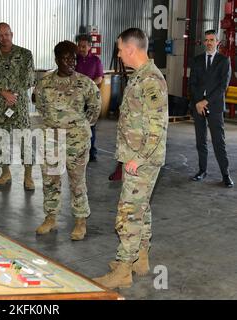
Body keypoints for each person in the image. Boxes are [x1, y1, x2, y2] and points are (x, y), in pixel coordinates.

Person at [93, 28, 168, 289]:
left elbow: (157, 126)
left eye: (120, 49)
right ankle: (140, 259)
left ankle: (123, 269)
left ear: (131, 49)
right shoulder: (140, 76)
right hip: (137, 156)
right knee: (142, 208)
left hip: (142, 160)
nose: (118, 54)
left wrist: (139, 157)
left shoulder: (150, 80)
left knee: (129, 212)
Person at [34, 41, 101, 241]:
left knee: (77, 181)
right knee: (51, 180)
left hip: (77, 142)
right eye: (66, 58)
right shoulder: (44, 84)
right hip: (52, 140)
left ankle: (80, 221)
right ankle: (50, 217)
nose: (71, 62)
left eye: (73, 58)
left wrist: (80, 127)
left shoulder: (85, 83)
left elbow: (95, 109)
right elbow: (41, 108)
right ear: (56, 60)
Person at [0, 22, 36, 191]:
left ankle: (28, 175)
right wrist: (4, 93)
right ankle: (5, 173)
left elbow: (29, 78)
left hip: (19, 105)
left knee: (25, 139)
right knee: (1, 138)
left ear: (12, 34)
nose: (4, 38)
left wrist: (14, 95)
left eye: (7, 34)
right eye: (0, 35)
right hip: (0, 105)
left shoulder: (25, 54)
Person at [189, 30, 233, 188]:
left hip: (214, 107)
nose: (209, 42)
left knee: (218, 142)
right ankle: (202, 171)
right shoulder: (197, 60)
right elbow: (192, 84)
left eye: (212, 40)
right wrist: (197, 102)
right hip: (198, 106)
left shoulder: (224, 61)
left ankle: (225, 174)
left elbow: (223, 87)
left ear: (217, 42)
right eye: (206, 40)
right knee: (201, 141)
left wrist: (205, 101)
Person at [75, 34, 104, 163]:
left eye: (83, 46)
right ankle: (77, 151)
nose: (81, 48)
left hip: (91, 99)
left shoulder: (96, 61)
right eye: (79, 46)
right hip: (76, 99)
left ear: (89, 46)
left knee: (90, 126)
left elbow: (99, 78)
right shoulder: (74, 60)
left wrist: (88, 86)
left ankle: (91, 152)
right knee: (76, 125)